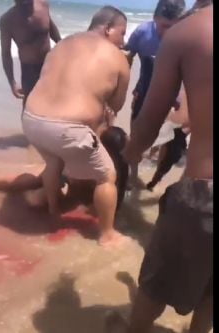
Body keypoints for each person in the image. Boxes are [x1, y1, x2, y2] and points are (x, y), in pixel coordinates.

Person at [107, 4, 213, 333]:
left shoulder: (189, 31)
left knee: (157, 280)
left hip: (205, 191)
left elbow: (150, 122)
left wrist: (128, 154)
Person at [21, 6, 130, 246]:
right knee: (106, 176)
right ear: (108, 28)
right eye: (122, 33)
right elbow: (116, 105)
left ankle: (53, 212)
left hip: (31, 119)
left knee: (53, 162)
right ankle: (107, 234)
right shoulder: (117, 57)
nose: (123, 40)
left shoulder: (61, 44)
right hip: (67, 129)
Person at [124, 0, 185, 187]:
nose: (168, 33)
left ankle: (154, 182)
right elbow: (126, 58)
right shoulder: (143, 33)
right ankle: (132, 177)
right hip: (145, 93)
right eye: (164, 26)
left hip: (176, 99)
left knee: (173, 149)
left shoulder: (186, 37)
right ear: (155, 18)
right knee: (137, 138)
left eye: (173, 27)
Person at [0, 0, 61, 107]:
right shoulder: (7, 20)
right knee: (30, 107)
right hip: (29, 72)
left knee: (54, 104)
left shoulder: (43, 5)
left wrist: (63, 47)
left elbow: (51, 28)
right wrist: (12, 82)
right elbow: (6, 53)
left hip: (50, 64)